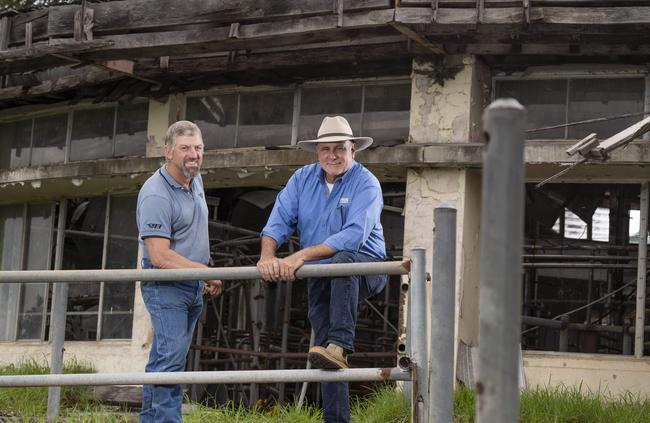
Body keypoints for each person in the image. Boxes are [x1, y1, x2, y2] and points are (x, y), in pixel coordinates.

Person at [257, 115, 388, 423]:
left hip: (365, 266)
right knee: (325, 352)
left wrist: (299, 256)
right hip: (321, 272)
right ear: (317, 152)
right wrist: (267, 256)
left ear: (353, 149)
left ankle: (342, 343)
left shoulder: (366, 182)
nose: (332, 155)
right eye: (325, 148)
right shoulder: (301, 180)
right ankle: (336, 417)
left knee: (343, 263)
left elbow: (353, 236)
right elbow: (277, 221)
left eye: (339, 148)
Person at [136, 120, 222, 423]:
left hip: (191, 284)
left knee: (165, 357)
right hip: (166, 285)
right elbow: (159, 256)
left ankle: (150, 420)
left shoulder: (194, 179)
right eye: (185, 148)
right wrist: (203, 271)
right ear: (168, 151)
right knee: (171, 361)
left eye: (198, 148)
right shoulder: (156, 193)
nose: (194, 154)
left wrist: (201, 274)